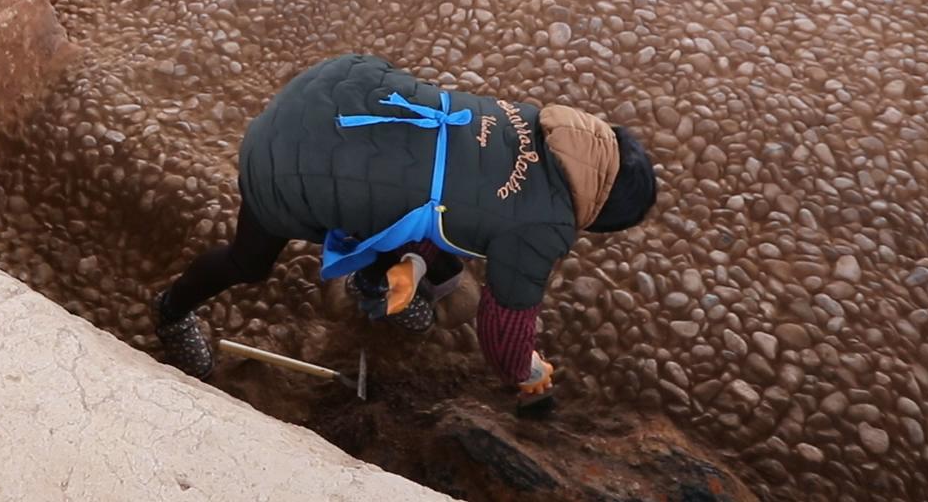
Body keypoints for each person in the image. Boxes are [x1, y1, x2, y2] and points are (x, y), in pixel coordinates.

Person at [151, 53, 658, 414]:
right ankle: (171, 312)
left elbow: (441, 192)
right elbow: (503, 332)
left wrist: (413, 265)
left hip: (336, 93)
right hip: (292, 161)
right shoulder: (541, 225)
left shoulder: (532, 124)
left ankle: (373, 284)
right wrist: (526, 373)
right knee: (249, 263)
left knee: (399, 213)